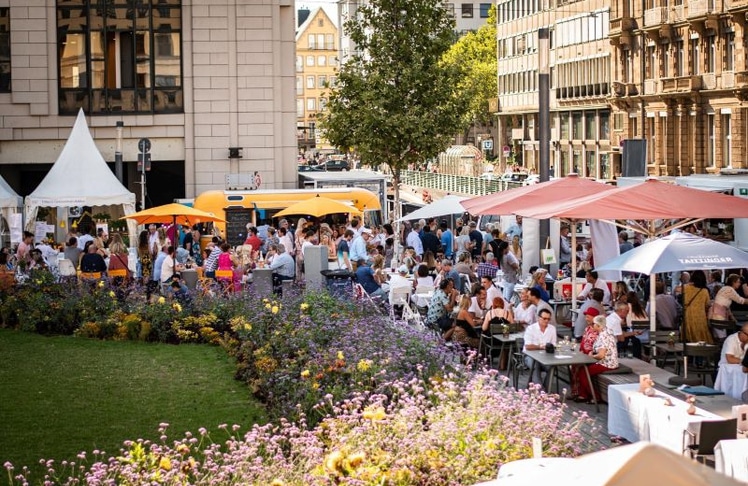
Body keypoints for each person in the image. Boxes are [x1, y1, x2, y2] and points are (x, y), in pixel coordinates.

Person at [574, 315, 619, 402]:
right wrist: (593, 352)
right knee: (582, 367)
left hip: (607, 363)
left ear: (598, 325)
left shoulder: (604, 336)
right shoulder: (606, 331)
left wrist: (591, 356)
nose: (592, 325)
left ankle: (595, 396)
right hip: (606, 361)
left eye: (593, 324)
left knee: (583, 372)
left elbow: (601, 355)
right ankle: (583, 395)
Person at [523, 308, 557, 384]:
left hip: (545, 356)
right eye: (544, 318)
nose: (546, 321)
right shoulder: (531, 328)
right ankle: (539, 389)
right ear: (538, 318)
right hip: (530, 356)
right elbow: (528, 346)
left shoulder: (552, 328)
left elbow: (554, 345)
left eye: (548, 319)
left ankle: (546, 388)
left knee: (552, 366)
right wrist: (541, 347)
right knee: (535, 365)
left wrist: (550, 348)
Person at [682, 269, 713, 344]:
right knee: (701, 337)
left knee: (688, 337)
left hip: (688, 315)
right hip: (700, 317)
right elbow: (707, 304)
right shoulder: (705, 291)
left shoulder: (685, 288)